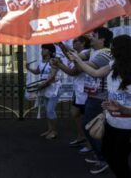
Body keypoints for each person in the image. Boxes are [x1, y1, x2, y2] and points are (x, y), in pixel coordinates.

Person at [70, 35, 131, 178]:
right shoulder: (113, 64)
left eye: (113, 47)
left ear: (121, 50)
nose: (111, 50)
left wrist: (122, 109)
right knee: (108, 153)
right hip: (111, 122)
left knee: (119, 161)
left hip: (126, 127)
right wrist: (78, 60)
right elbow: (95, 73)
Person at [55, 27, 113, 175]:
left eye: (94, 35)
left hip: (100, 98)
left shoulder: (105, 54)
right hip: (91, 96)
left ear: (103, 39)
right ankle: (100, 155)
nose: (91, 37)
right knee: (90, 127)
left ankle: (103, 158)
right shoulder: (90, 52)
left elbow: (87, 68)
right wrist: (61, 44)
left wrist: (76, 58)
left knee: (92, 128)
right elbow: (73, 57)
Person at [52, 36, 91, 147]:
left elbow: (74, 71)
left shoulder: (87, 53)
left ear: (83, 43)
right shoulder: (79, 54)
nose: (73, 43)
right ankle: (81, 137)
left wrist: (59, 64)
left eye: (75, 41)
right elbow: (70, 56)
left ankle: (89, 143)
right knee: (75, 113)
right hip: (79, 90)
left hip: (85, 91)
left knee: (86, 117)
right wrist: (61, 45)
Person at [26, 44, 61, 140]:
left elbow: (52, 76)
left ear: (50, 51)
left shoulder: (54, 61)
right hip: (45, 88)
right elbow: (37, 72)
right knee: (47, 110)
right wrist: (28, 68)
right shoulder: (42, 62)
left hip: (54, 88)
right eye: (42, 49)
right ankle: (50, 129)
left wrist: (43, 85)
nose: (42, 50)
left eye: (44, 49)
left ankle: (54, 131)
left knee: (50, 110)